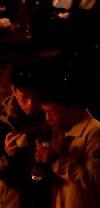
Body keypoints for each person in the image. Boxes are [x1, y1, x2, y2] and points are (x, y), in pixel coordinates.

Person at [36, 80, 100, 208]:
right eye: (45, 112)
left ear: (72, 108)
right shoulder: (60, 131)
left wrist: (57, 160)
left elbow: (93, 181)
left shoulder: (96, 133)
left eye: (53, 112)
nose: (47, 118)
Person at [0, 67, 47, 208]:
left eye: (36, 97)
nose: (31, 104)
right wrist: (7, 156)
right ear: (13, 90)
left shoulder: (52, 116)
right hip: (13, 200)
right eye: (24, 97)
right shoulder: (3, 122)